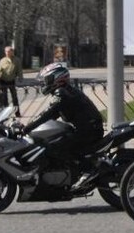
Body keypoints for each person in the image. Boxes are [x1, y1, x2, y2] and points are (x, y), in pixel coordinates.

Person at [14, 62, 105, 191]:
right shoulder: (64, 91)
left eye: (47, 79)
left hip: (89, 130)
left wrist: (27, 128)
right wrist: (30, 126)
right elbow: (52, 113)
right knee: (56, 140)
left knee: (56, 147)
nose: (44, 83)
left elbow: (46, 114)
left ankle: (89, 170)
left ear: (57, 78)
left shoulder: (62, 93)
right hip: (88, 128)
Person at [0, 46, 22, 114]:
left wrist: (20, 78)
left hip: (11, 80)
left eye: (9, 51)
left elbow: (19, 70)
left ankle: (17, 112)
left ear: (12, 52)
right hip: (3, 81)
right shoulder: (2, 60)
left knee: (14, 97)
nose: (7, 53)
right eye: (6, 51)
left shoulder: (16, 60)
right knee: (4, 97)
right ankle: (5, 113)